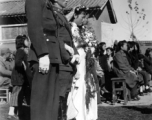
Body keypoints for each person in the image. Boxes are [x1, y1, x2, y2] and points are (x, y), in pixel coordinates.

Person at [26, 0, 79, 120]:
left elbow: (54, 34)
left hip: (53, 57)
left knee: (52, 104)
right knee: (42, 104)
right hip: (44, 58)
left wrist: (64, 47)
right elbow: (34, 28)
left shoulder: (47, 4)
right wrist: (42, 54)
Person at [67, 8, 98, 120]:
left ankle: (86, 114)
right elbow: (76, 43)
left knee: (87, 85)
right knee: (78, 86)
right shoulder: (71, 27)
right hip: (77, 59)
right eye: (82, 17)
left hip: (85, 60)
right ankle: (77, 114)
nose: (84, 20)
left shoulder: (83, 29)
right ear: (75, 15)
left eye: (85, 17)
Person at [7, 35, 30, 120]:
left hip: (19, 77)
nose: (28, 42)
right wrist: (24, 66)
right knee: (16, 94)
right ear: (23, 41)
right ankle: (11, 112)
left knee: (18, 95)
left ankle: (14, 112)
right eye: (27, 40)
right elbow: (17, 63)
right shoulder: (21, 51)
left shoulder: (20, 51)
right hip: (18, 77)